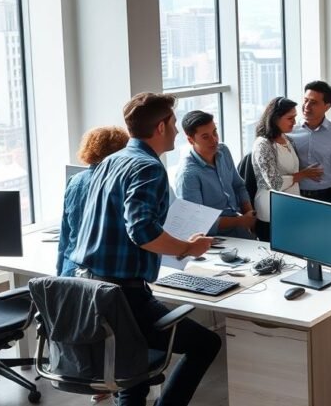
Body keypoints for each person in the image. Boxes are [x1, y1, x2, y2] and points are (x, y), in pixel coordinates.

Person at [67, 93, 222, 406]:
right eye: (175, 124)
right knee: (206, 344)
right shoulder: (148, 168)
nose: (178, 131)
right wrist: (188, 248)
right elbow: (142, 231)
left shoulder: (111, 160)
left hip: (90, 287)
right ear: (161, 126)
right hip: (124, 295)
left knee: (132, 378)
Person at [58, 126, 130, 277]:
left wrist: (59, 278)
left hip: (70, 270)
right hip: (99, 275)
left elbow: (65, 236)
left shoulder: (74, 180)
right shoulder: (118, 183)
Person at [175, 110, 256, 239]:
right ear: (191, 140)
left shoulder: (223, 151)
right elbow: (196, 221)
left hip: (241, 229)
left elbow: (238, 186)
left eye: (215, 132)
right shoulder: (188, 175)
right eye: (205, 137)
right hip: (215, 240)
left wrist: (249, 215)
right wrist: (240, 221)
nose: (214, 140)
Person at [253, 97, 313, 241]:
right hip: (271, 211)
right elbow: (274, 183)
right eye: (289, 118)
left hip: (291, 208)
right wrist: (301, 175)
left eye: (295, 117)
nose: (294, 121)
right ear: (275, 119)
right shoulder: (263, 145)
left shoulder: (288, 139)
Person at [289, 80, 331, 205]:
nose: (307, 106)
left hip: (325, 197)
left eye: (313, 102)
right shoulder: (288, 131)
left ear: (327, 106)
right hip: (293, 194)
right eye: (305, 100)